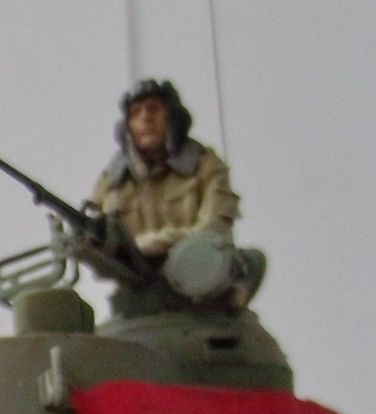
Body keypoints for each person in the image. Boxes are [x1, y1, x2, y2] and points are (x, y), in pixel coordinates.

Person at [90, 79, 264, 311]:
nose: (146, 118)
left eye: (154, 109)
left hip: (198, 281)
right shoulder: (113, 181)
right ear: (127, 127)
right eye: (136, 113)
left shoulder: (205, 165)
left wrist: (152, 244)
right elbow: (98, 240)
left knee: (251, 260)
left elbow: (214, 231)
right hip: (139, 294)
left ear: (173, 118)